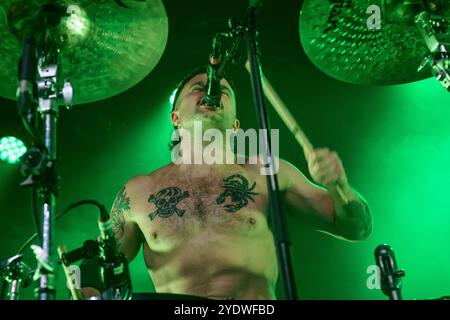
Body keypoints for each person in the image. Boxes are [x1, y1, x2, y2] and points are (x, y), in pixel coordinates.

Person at [80, 67, 372, 300]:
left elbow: (356, 228)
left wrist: (339, 187)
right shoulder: (138, 191)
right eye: (198, 88)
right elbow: (98, 270)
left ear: (235, 126)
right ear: (175, 118)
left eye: (224, 91)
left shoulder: (268, 172)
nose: (211, 90)